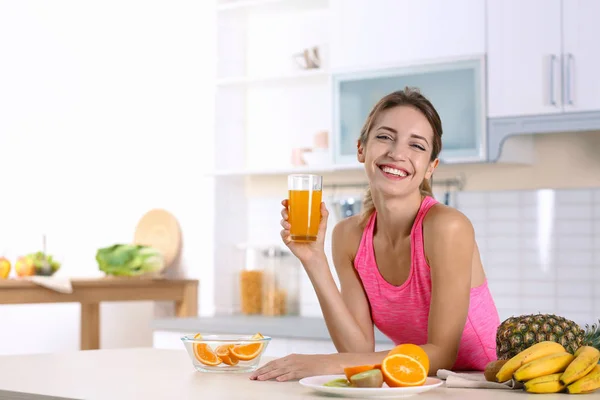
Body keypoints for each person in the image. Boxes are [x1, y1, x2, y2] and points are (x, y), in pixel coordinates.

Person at [249, 88, 500, 382]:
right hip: (413, 382)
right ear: (361, 149)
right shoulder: (349, 236)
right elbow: (357, 348)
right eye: (385, 137)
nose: (397, 153)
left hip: (484, 385)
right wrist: (313, 259)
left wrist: (327, 363)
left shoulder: (448, 227)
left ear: (431, 167)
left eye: (416, 145)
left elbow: (441, 353)